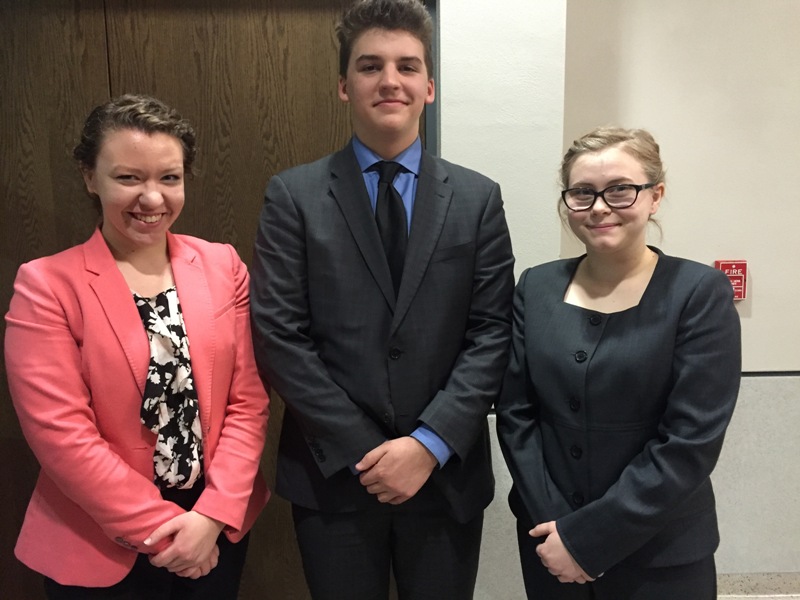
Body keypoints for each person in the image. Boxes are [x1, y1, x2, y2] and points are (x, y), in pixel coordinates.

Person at [249, 0, 515, 597]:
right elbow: (278, 334)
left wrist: (427, 445)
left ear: (429, 87)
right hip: (335, 476)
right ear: (344, 86)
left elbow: (493, 331)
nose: (390, 80)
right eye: (370, 66)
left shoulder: (477, 198)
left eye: (407, 66)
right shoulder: (294, 196)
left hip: (445, 474)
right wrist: (368, 450)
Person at [4, 94, 270, 599]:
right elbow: (61, 435)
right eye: (128, 177)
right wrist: (166, 532)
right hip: (97, 538)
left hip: (215, 523)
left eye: (169, 177)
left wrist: (213, 516)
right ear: (90, 177)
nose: (152, 198)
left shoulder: (224, 266)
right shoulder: (46, 286)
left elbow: (249, 402)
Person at [495, 126, 741, 599]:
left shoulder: (698, 293)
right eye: (582, 192)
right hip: (549, 544)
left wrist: (588, 540)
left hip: (661, 554)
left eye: (620, 190)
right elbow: (516, 414)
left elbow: (689, 440)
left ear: (655, 197)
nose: (600, 207)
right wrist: (557, 529)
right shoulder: (536, 286)